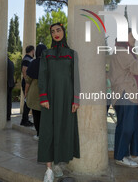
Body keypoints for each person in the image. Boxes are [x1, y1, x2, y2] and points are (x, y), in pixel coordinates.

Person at [38, 23, 80, 182]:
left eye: (58, 30)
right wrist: (43, 96)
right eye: (53, 31)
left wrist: (76, 99)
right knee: (48, 131)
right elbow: (42, 76)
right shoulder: (46, 54)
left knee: (63, 130)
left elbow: (76, 77)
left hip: (67, 99)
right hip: (49, 99)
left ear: (64, 32)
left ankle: (56, 164)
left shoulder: (72, 54)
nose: (56, 33)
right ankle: (48, 169)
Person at [109, 28, 138, 168]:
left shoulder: (129, 51)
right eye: (132, 35)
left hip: (134, 94)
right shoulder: (121, 50)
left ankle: (135, 154)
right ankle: (120, 156)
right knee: (126, 126)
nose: (135, 38)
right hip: (125, 93)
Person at [25, 44, 47, 140]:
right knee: (45, 115)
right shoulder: (49, 63)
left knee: (36, 115)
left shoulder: (33, 63)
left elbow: (28, 81)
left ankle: (38, 134)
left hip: (34, 93)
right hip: (46, 92)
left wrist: (26, 93)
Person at [20, 45, 35, 127]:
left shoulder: (28, 59)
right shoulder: (27, 59)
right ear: (32, 50)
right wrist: (27, 83)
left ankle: (25, 120)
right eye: (34, 51)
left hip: (28, 82)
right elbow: (24, 71)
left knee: (28, 101)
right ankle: (24, 120)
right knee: (27, 101)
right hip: (27, 83)